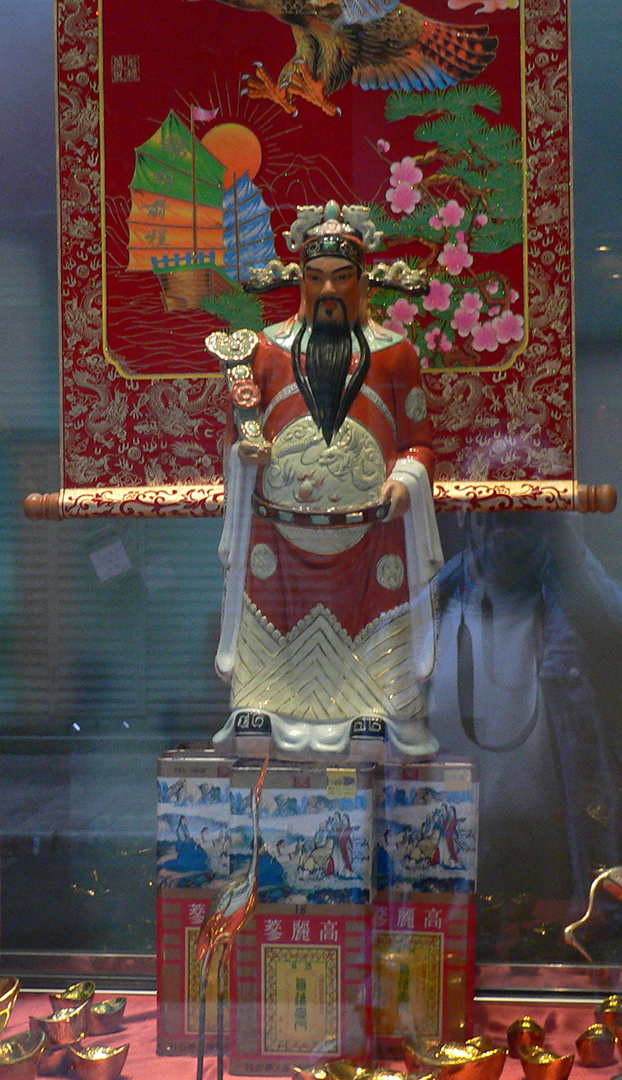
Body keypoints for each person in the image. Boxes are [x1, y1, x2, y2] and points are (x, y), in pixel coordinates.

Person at [211, 201, 442, 761]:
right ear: (301, 283)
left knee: (375, 609)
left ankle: (378, 704)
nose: (328, 292)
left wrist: (405, 479)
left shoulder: (396, 355)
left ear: (363, 283)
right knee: (269, 607)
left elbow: (420, 443)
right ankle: (262, 700)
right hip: (279, 534)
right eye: (316, 280)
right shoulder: (263, 351)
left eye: (341, 279)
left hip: (371, 535)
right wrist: (243, 450)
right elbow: (235, 438)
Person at [426, 511, 622, 915]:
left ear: (550, 525)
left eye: (523, 516)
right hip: (443, 854)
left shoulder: (575, 606)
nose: (502, 533)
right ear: (465, 517)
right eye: (489, 514)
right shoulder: (432, 605)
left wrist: (575, 560)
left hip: (562, 864)